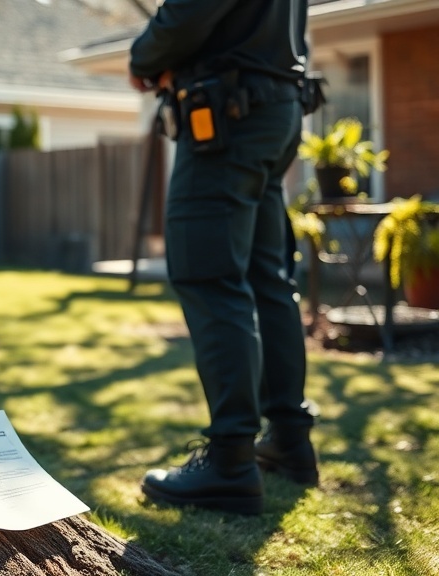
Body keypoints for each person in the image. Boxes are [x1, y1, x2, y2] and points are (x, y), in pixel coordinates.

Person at [128, 0, 319, 515]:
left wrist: (142, 57)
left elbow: (190, 10)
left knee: (209, 274)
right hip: (276, 106)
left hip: (229, 112)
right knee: (267, 278)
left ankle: (231, 460)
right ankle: (290, 440)